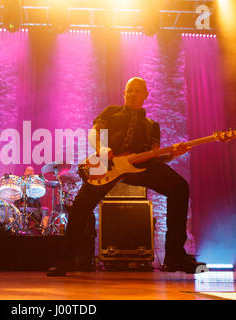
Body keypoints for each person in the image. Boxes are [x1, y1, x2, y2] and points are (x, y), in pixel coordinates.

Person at [47, 77, 206, 276]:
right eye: (129, 90)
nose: (131, 94)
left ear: (146, 95)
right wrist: (102, 148)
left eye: (137, 91)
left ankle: (174, 255)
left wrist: (173, 153)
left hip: (140, 168)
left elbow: (156, 156)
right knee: (80, 208)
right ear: (124, 93)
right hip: (108, 166)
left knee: (179, 187)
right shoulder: (111, 112)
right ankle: (67, 260)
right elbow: (93, 134)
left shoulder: (151, 125)